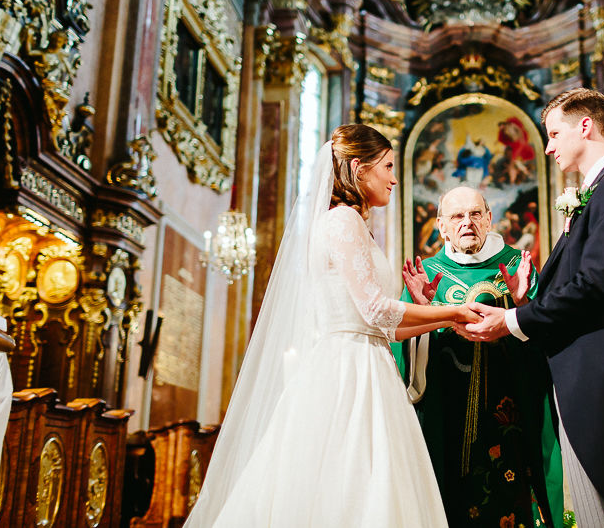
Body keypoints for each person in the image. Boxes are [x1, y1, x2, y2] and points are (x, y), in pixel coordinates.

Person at [186, 124, 478, 527]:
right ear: (359, 168)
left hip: (368, 359)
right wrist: (453, 311)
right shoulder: (342, 221)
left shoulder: (355, 224)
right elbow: (377, 310)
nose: (394, 177)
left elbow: (385, 328)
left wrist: (433, 312)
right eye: (388, 166)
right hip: (348, 372)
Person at [459, 88, 604, 527]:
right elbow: (582, 283)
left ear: (585, 126)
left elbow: (595, 285)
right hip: (582, 376)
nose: (548, 146)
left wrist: (512, 320)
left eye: (554, 133)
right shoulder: (598, 193)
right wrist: (525, 298)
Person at [398, 186, 565, 528]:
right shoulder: (427, 274)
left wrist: (523, 303)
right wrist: (422, 311)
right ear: (441, 226)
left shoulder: (518, 264)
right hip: (447, 414)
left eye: (475, 214)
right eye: (457, 216)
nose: (467, 223)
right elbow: (402, 352)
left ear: (489, 219)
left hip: (511, 410)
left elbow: (550, 334)